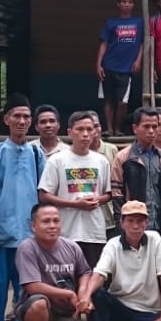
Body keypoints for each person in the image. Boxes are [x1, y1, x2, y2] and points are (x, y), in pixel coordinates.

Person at [0, 94, 44, 321]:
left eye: (26, 116)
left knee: (26, 285)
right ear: (6, 119)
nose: (22, 121)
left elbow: (41, 195)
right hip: (2, 230)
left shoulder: (37, 154)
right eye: (16, 116)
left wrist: (40, 229)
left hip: (29, 232)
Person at [14, 203, 100, 321]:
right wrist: (69, 293)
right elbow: (33, 286)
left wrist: (83, 292)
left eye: (56, 221)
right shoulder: (27, 248)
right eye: (46, 221)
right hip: (37, 308)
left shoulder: (71, 246)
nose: (52, 226)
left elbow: (85, 271)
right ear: (33, 226)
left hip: (65, 313)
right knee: (38, 303)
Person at [39, 110, 113, 267]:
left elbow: (108, 194)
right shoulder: (57, 160)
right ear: (69, 132)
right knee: (67, 277)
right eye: (80, 129)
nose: (85, 134)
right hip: (67, 231)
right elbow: (44, 195)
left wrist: (96, 200)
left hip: (94, 231)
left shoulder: (101, 161)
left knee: (93, 277)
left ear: (95, 132)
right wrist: (75, 204)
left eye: (89, 129)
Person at [112, 106, 161, 238]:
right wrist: (121, 226)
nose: (151, 131)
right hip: (134, 225)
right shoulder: (123, 158)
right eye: (146, 127)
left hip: (159, 224)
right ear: (135, 128)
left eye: (154, 126)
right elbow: (117, 195)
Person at [96, 0, 144, 135]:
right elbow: (104, 44)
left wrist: (138, 60)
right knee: (108, 100)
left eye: (130, 2)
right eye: (124, 1)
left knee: (122, 102)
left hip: (127, 68)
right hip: (109, 65)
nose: (127, 4)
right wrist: (98, 64)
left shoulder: (139, 22)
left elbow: (142, 43)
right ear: (118, 4)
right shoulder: (111, 23)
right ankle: (109, 130)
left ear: (133, 4)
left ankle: (118, 130)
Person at [90, 113, 118, 240]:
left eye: (96, 126)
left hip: (109, 214)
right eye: (89, 127)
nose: (93, 130)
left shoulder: (112, 150)